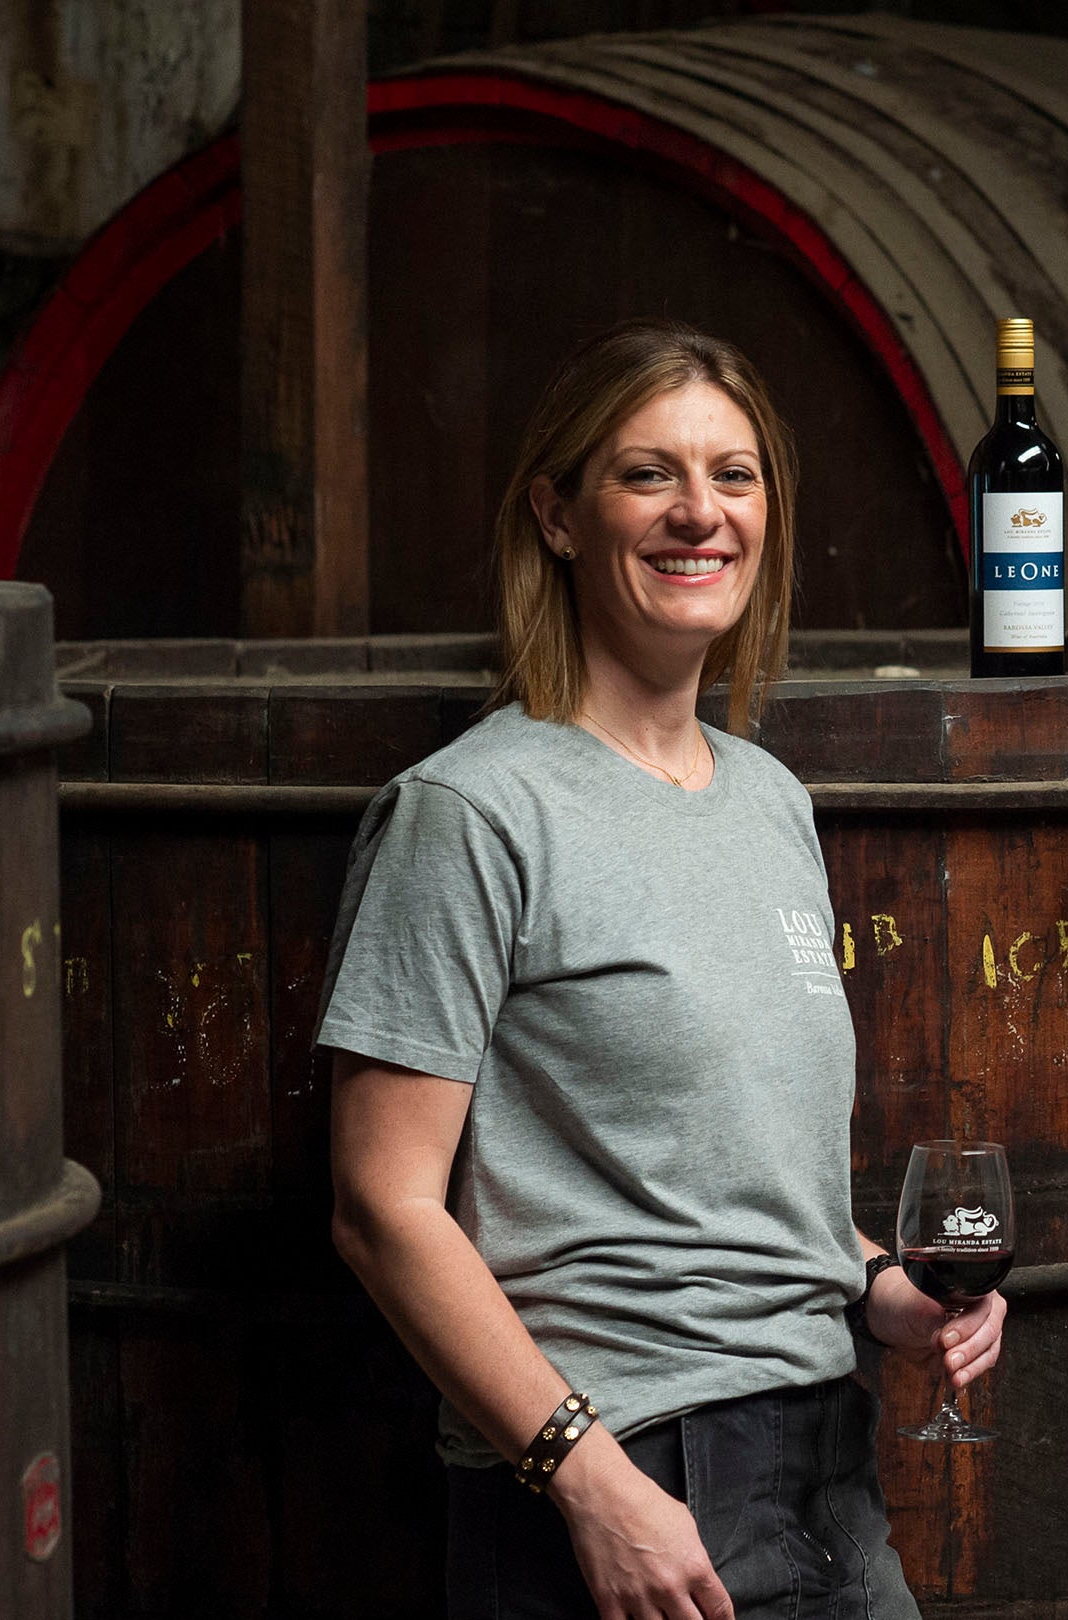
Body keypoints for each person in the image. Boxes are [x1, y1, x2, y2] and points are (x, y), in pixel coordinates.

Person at [322, 319, 1003, 1620]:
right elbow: (382, 1206)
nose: (702, 512)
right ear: (558, 515)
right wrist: (587, 1483)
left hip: (825, 1460)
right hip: (629, 1473)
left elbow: (734, 1183)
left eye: (734, 475)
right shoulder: (472, 812)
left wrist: (882, 1286)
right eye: (649, 474)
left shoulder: (769, 800)